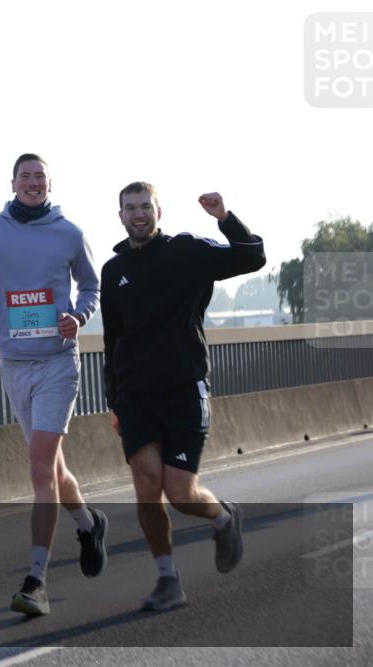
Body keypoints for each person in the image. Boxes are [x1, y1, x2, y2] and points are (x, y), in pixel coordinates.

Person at [0, 153, 108, 617]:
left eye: (40, 177)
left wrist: (79, 316)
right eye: (25, 177)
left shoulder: (69, 233)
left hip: (56, 364)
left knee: (38, 470)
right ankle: (89, 525)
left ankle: (36, 582)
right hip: (14, 365)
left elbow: (92, 287)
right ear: (12, 183)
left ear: (50, 184)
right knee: (52, 469)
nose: (33, 183)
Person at [101, 183, 264, 611]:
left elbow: (252, 256)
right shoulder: (112, 270)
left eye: (145, 207)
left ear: (159, 211)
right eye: (130, 208)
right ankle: (168, 580)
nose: (138, 214)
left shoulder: (187, 252)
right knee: (145, 486)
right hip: (135, 396)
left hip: (183, 389)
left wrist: (224, 218)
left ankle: (224, 517)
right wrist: (113, 400)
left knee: (181, 494)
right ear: (120, 216)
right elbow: (113, 338)